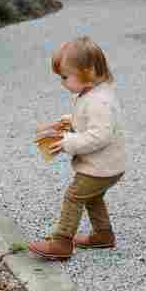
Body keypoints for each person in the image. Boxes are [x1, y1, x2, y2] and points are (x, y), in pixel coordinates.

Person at [29, 36, 126, 260]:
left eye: (65, 76)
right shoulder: (91, 93)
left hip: (101, 166)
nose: (62, 82)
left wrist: (67, 142)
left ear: (87, 72)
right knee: (92, 196)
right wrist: (69, 121)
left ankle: (61, 242)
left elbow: (100, 135)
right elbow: (86, 119)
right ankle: (103, 234)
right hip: (108, 165)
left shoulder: (99, 101)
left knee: (74, 196)